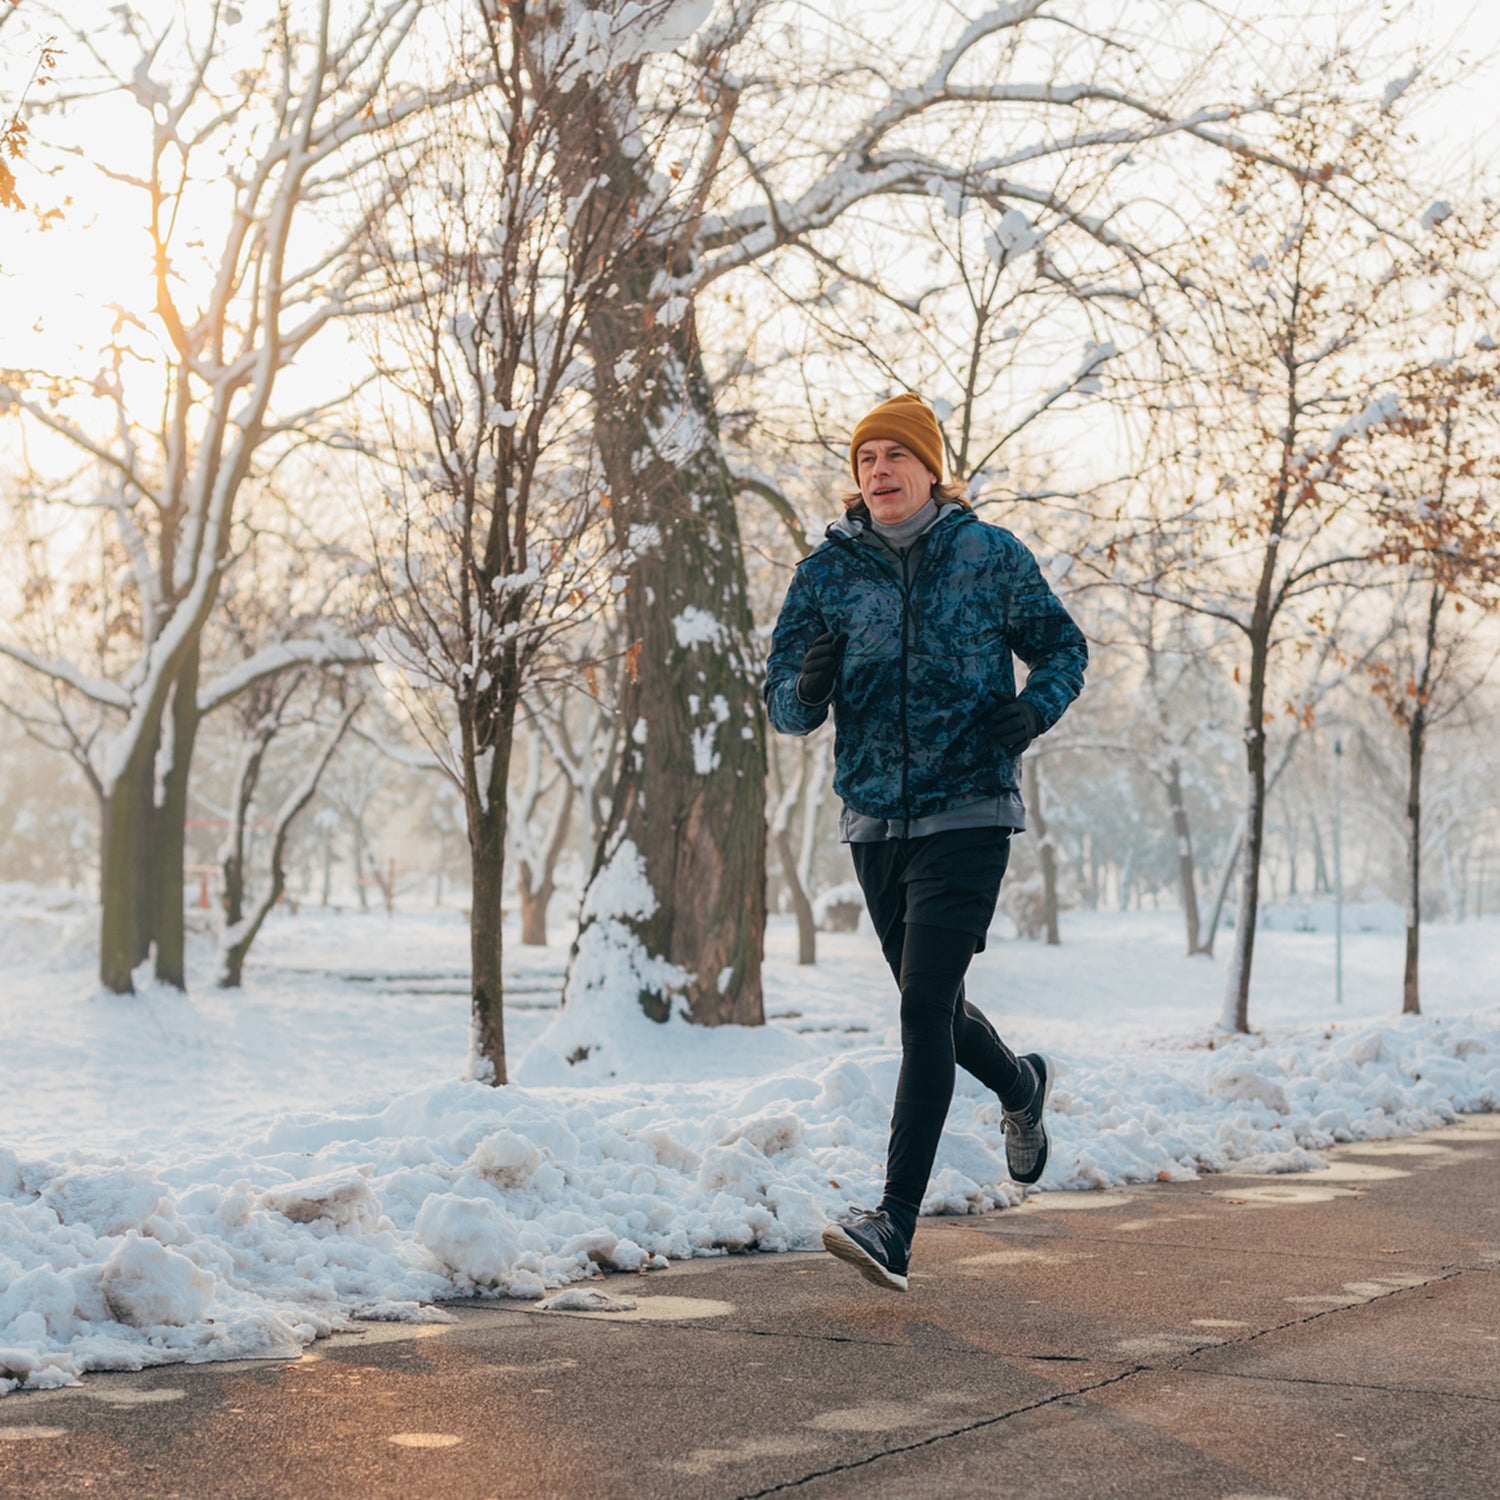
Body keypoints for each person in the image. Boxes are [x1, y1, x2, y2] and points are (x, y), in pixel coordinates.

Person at [762, 392, 1088, 1292]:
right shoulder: (826, 574)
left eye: (895, 457)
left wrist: (1031, 711)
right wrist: (807, 686)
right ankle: (1020, 1086)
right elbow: (782, 704)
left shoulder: (987, 556)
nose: (879, 472)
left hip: (969, 808)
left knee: (921, 1008)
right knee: (931, 1004)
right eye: (865, 460)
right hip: (875, 819)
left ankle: (894, 1224)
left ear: (930, 470)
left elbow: (1063, 648)